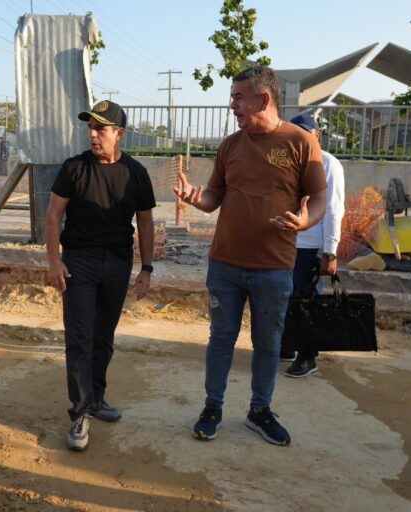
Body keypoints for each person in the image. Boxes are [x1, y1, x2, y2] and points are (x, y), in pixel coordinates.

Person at [174, 67, 327, 446]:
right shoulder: (230, 145)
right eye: (232, 97)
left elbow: (320, 197)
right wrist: (197, 198)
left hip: (274, 266)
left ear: (264, 99)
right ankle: (213, 408)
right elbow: (214, 197)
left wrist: (307, 219)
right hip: (225, 264)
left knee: (269, 343)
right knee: (220, 338)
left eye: (239, 97)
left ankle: (260, 411)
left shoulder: (301, 142)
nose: (232, 105)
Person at [46, 100, 156, 452]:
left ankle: (96, 398)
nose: (93, 135)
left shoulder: (136, 173)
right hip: (79, 262)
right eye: (90, 128)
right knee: (79, 338)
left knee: (103, 337)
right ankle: (79, 413)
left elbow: (146, 222)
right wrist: (53, 261)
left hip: (118, 263)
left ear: (119, 134)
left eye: (101, 129)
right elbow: (52, 216)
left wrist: (147, 268)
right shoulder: (74, 168)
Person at [281, 114, 346, 378]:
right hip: (287, 242)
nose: (298, 138)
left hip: (311, 247)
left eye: (304, 133)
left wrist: (330, 251)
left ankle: (308, 355)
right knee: (285, 298)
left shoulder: (328, 163)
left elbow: (334, 210)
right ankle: (287, 346)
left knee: (306, 301)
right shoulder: (288, 162)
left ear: (316, 135)